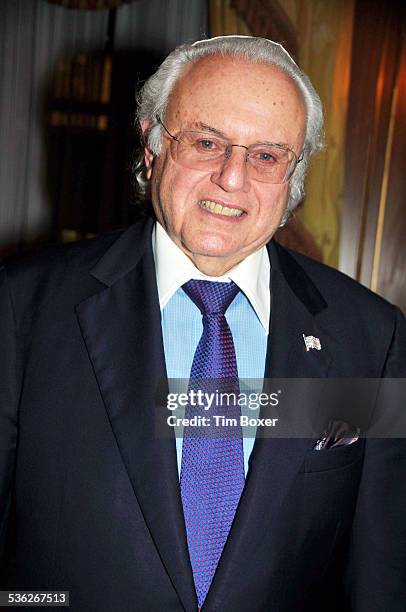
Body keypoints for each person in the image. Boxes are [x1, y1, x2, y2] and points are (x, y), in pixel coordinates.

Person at [0, 36, 405, 611]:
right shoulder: (23, 309)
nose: (232, 178)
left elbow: (381, 579)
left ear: (294, 176)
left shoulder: (372, 337)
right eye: (207, 142)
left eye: (266, 155)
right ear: (151, 146)